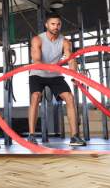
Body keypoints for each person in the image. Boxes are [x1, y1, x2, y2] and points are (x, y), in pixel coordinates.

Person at [28, 12, 86, 146]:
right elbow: (36, 61)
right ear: (46, 25)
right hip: (37, 73)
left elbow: (70, 59)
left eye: (58, 24)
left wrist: (74, 75)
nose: (56, 27)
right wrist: (50, 67)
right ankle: (31, 135)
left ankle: (74, 137)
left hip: (55, 74)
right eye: (53, 24)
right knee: (36, 97)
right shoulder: (37, 39)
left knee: (70, 98)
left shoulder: (65, 41)